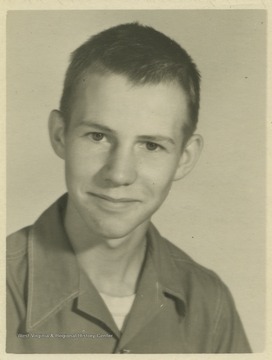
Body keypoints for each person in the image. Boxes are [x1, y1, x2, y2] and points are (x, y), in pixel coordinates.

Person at [6, 22, 251, 354]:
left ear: (184, 158)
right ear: (60, 135)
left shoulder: (209, 301)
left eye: (150, 146)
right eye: (98, 136)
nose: (119, 174)